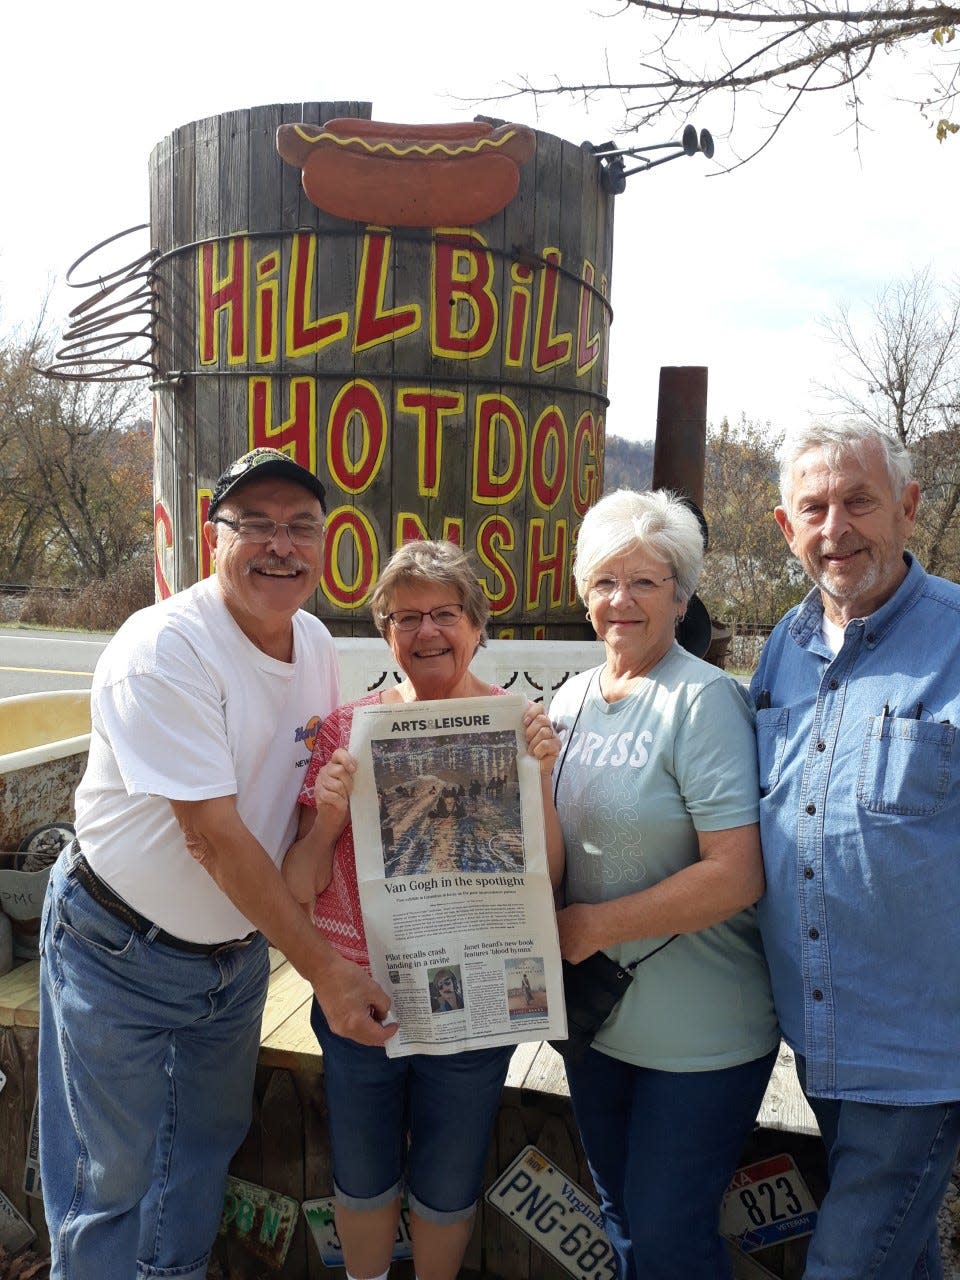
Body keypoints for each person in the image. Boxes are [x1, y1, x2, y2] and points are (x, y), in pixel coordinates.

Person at [38, 447, 396, 1280]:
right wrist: (330, 973)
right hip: (115, 949)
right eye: (257, 525)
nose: (282, 545)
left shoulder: (312, 642)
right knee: (110, 1176)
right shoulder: (164, 650)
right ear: (213, 538)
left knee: (201, 1152)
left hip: (236, 961)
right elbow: (217, 838)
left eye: (301, 527)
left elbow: (307, 800)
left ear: (326, 542)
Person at [283, 539, 563, 1280]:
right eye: (405, 617)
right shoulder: (346, 730)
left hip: (477, 998)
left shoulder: (516, 724)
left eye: (444, 612)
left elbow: (550, 878)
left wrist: (536, 779)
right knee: (363, 1171)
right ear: (384, 633)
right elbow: (298, 884)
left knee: (446, 1181)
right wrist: (330, 817)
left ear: (476, 624)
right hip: (362, 999)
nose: (426, 631)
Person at [549, 488, 779, 1280]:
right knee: (621, 1223)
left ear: (681, 598)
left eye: (646, 582)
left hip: (700, 1035)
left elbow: (737, 872)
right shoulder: (572, 700)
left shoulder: (704, 701)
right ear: (585, 593)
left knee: (668, 1235)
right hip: (596, 1023)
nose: (623, 600)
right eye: (607, 580)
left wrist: (591, 927)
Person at [752, 420, 960, 1279]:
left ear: (908, 508)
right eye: (815, 507)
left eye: (859, 501)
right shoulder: (783, 649)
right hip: (821, 1035)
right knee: (898, 1258)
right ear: (784, 527)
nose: (836, 527)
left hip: (923, 1048)